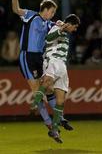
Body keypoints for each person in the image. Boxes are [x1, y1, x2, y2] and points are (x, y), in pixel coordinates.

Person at [9, 0, 72, 132]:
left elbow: (59, 26)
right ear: (44, 9)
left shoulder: (48, 23)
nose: (52, 14)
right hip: (27, 57)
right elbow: (16, 9)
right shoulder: (30, 15)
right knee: (36, 90)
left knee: (48, 89)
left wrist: (63, 24)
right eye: (51, 12)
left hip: (40, 58)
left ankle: (60, 118)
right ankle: (48, 122)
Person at [31, 14, 80, 143]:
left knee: (60, 101)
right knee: (47, 82)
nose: (75, 30)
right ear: (69, 24)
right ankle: (35, 103)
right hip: (53, 60)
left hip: (62, 65)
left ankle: (54, 128)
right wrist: (61, 28)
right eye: (74, 27)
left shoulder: (64, 32)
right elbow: (48, 38)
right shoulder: (58, 26)